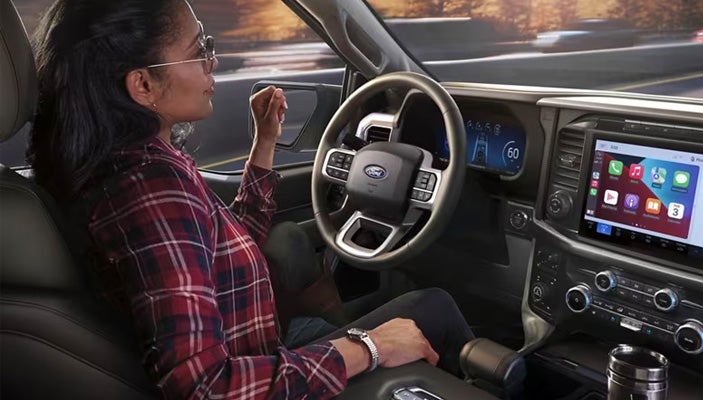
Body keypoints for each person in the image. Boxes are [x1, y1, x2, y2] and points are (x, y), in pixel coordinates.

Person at [26, 0, 475, 398]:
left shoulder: (130, 162)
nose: (213, 61)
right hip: (259, 376)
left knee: (288, 244)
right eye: (200, 49)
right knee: (433, 306)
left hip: (262, 352)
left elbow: (219, 245)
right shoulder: (149, 190)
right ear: (142, 86)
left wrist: (265, 145)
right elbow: (205, 386)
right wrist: (368, 348)